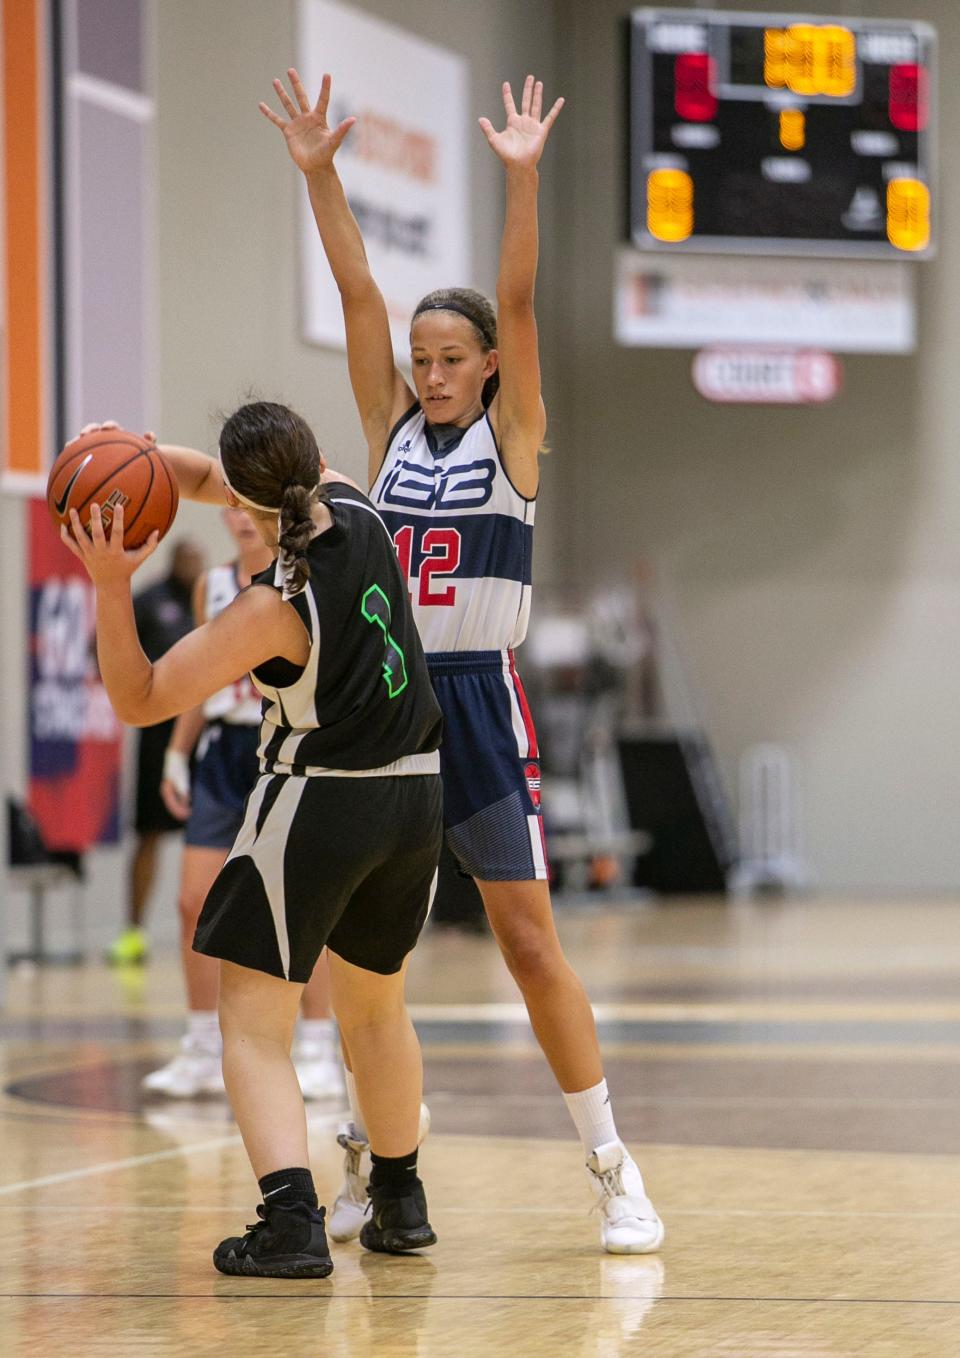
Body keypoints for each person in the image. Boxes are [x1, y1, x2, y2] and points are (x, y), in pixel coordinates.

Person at [262, 68, 664, 1253]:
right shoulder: (388, 434)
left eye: (452, 356)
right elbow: (355, 289)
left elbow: (522, 299)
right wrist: (321, 173)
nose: (430, 370)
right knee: (359, 965)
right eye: (422, 356)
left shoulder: (516, 436)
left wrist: (524, 177)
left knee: (528, 938)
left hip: (480, 699)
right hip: (383, 705)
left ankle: (612, 1164)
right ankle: (371, 1159)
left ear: (488, 365)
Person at [63, 401, 444, 1277]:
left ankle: (291, 1225)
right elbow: (220, 480)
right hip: (415, 800)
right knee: (378, 1011)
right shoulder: (359, 506)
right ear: (312, 460)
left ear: (246, 502)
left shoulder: (273, 604)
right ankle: (401, 1201)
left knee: (251, 1020)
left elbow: (141, 698)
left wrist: (112, 583)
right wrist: (154, 462)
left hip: (321, 804)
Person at [144, 506, 343, 1101]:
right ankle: (202, 1046)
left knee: (306, 902)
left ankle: (317, 1044)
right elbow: (198, 678)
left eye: (247, 502)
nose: (239, 515)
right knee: (191, 901)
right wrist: (176, 756)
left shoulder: (305, 576)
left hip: (280, 744)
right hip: (222, 752)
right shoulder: (214, 584)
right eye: (227, 502)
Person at [108, 538, 206, 966]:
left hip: (206, 734)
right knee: (148, 834)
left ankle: (212, 932)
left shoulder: (214, 599)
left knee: (211, 836)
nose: (193, 563)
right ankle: (134, 932)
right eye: (187, 557)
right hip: (156, 735)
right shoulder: (148, 601)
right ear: (173, 561)